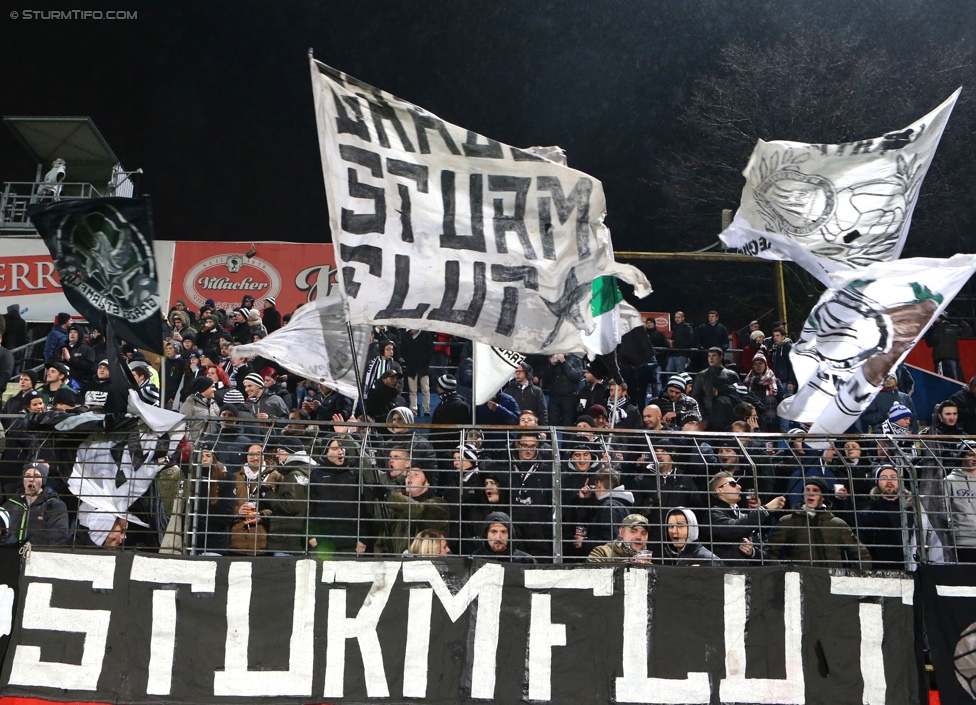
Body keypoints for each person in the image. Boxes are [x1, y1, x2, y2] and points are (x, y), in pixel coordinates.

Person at [766, 478, 871, 569]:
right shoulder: (788, 521)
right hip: (801, 583)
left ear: (823, 496)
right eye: (807, 490)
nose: (810, 493)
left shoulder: (837, 524)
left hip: (831, 583)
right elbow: (769, 552)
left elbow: (862, 555)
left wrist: (852, 580)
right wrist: (782, 573)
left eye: (815, 490)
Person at [709, 471, 785, 563]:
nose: (739, 487)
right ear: (719, 490)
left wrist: (753, 553)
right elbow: (733, 528)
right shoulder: (713, 513)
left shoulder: (744, 515)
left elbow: (766, 553)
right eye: (733, 484)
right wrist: (765, 509)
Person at [374, 467, 449, 555]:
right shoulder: (397, 510)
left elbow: (420, 510)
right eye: (408, 475)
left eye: (416, 474)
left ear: (428, 482)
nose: (410, 477)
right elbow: (382, 543)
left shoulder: (439, 505)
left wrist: (389, 496)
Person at [856, 465, 914, 569]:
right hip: (880, 571)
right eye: (884, 478)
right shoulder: (866, 514)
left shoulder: (913, 512)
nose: (889, 481)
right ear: (877, 483)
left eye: (893, 477)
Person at [1, 461, 70, 545]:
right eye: (27, 475)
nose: (31, 479)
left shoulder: (54, 505)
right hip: (11, 555)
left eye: (37, 476)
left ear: (43, 480)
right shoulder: (9, 505)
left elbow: (59, 540)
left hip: (40, 556)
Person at [946, 441, 976, 563]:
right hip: (961, 541)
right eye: (970, 454)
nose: (975, 458)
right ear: (962, 456)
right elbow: (944, 511)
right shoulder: (949, 481)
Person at [470, 511, 536, 563]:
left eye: (503, 532)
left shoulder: (525, 560)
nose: (498, 538)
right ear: (485, 534)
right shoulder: (475, 558)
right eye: (494, 532)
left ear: (509, 535)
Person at [587, 513, 653, 563]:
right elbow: (591, 577)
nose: (638, 537)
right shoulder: (602, 553)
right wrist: (629, 564)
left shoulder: (646, 559)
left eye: (643, 533)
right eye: (633, 531)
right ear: (621, 532)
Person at [543, 352, 584, 428]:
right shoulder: (553, 359)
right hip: (554, 398)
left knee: (568, 424)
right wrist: (552, 365)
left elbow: (575, 376)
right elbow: (547, 378)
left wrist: (564, 362)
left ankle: (567, 439)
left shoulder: (576, 360)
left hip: (569, 398)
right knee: (551, 423)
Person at [400, 329, 434, 416]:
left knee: (425, 389)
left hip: (423, 367)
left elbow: (431, 349)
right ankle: (413, 410)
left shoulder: (426, 334)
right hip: (411, 367)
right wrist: (408, 360)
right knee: (412, 390)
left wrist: (424, 360)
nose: (412, 329)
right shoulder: (406, 336)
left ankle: (426, 410)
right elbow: (403, 350)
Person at [508, 361, 548, 426]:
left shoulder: (537, 391)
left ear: (526, 372)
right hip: (514, 428)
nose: (517, 373)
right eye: (515, 371)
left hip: (533, 427)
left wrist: (543, 429)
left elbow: (542, 412)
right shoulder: (508, 391)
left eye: (520, 371)